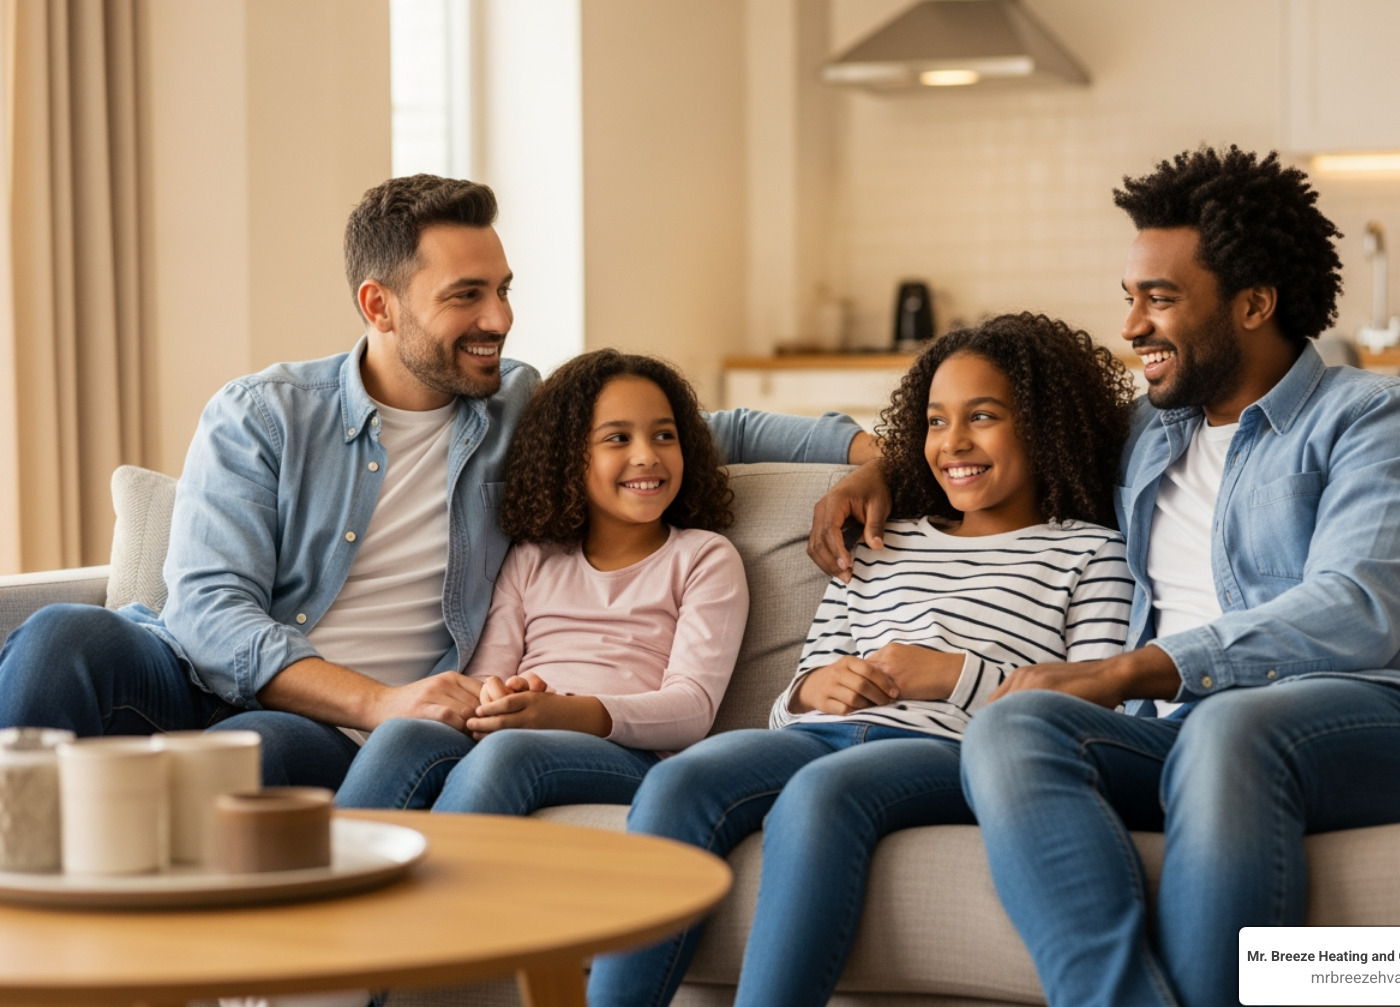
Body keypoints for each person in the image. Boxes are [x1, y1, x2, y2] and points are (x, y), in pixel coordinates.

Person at [810, 147, 1400, 1007]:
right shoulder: (1143, 431)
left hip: (1399, 725)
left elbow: (1359, 608)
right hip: (1179, 737)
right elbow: (983, 443)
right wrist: (873, 465)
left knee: (1230, 727)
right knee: (1016, 727)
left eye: (1161, 299)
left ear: (1254, 304)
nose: (1132, 325)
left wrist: (1129, 671)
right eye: (1130, 298)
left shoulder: (1378, 418)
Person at [0, 174, 873, 796]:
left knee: (251, 752)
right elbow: (207, 613)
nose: (500, 319)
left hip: (329, 737)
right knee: (59, 640)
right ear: (380, 307)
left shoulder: (520, 407)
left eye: (502, 289)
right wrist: (378, 698)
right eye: (467, 296)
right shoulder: (264, 414)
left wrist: (873, 455)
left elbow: (712, 427)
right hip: (212, 678)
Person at [586, 312, 1137, 1007]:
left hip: (951, 752)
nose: (954, 443)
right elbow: (790, 700)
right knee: (681, 780)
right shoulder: (882, 542)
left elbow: (1093, 720)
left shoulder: (1091, 555)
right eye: (936, 422)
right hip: (820, 736)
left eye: (983, 417)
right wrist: (817, 686)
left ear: (1045, 424)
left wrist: (952, 676)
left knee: (823, 795)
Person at [332, 349, 748, 815]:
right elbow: (486, 674)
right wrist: (497, 700)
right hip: (520, 731)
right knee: (404, 734)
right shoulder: (532, 557)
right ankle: (343, 884)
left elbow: (691, 708)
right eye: (618, 438)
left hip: (632, 755)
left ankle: (453, 890)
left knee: (509, 754)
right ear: (570, 456)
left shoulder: (703, 558)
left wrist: (567, 713)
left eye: (664, 436)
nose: (647, 456)